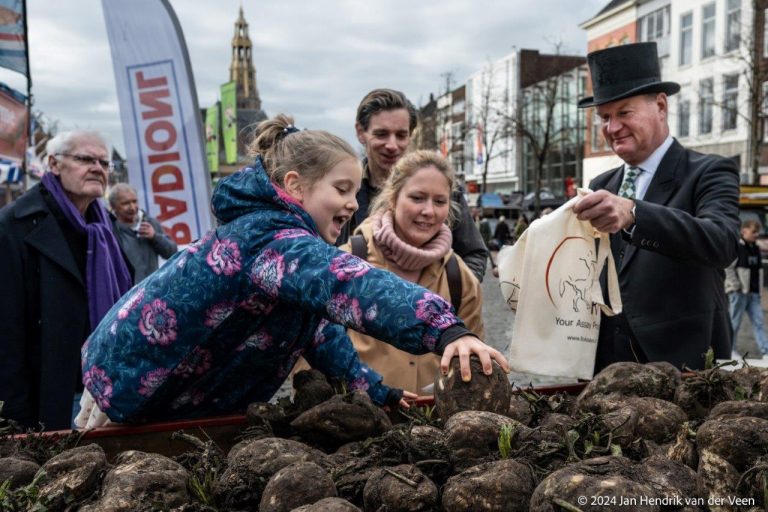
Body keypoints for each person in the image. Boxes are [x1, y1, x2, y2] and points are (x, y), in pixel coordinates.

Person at [77, 114, 508, 427]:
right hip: (129, 392)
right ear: (295, 185)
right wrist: (446, 329)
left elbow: (322, 336)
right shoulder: (271, 239)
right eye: (341, 189)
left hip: (176, 398)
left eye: (355, 192)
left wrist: (381, 395)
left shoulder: (287, 248)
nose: (352, 203)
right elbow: (351, 284)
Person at [572, 42, 740, 371]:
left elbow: (722, 242)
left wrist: (635, 213)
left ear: (660, 106)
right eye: (605, 117)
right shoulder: (600, 185)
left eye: (624, 112)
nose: (611, 127)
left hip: (684, 364)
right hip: (607, 367)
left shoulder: (709, 171)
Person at [0, 130, 132, 430]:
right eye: (85, 159)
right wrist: (14, 417)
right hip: (49, 397)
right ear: (54, 164)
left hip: (106, 391)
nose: (98, 168)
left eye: (103, 162)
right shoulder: (15, 225)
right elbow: (6, 330)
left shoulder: (105, 226)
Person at [341, 150, 485, 394]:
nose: (429, 211)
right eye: (417, 198)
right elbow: (310, 357)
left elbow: (471, 360)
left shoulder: (459, 276)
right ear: (393, 199)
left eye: (440, 201)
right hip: (359, 421)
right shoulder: (350, 260)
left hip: (434, 424)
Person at [338, 88, 488, 282]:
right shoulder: (342, 189)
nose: (392, 145)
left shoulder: (447, 190)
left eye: (401, 135)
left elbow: (474, 254)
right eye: (382, 134)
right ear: (361, 132)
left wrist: (447, 298)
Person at [109, 183, 178, 284]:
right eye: (125, 203)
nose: (132, 207)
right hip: (127, 294)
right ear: (114, 207)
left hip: (152, 290)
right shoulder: (110, 230)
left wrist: (155, 237)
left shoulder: (150, 223)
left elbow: (172, 253)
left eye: (134, 201)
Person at [725, 219, 768, 358]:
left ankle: (766, 351)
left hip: (754, 293)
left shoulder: (755, 247)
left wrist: (759, 290)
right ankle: (729, 351)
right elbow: (728, 268)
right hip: (739, 293)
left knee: (759, 322)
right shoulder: (737, 247)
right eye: (753, 231)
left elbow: (758, 270)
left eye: (757, 232)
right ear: (744, 231)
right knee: (734, 323)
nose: (756, 235)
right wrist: (735, 286)